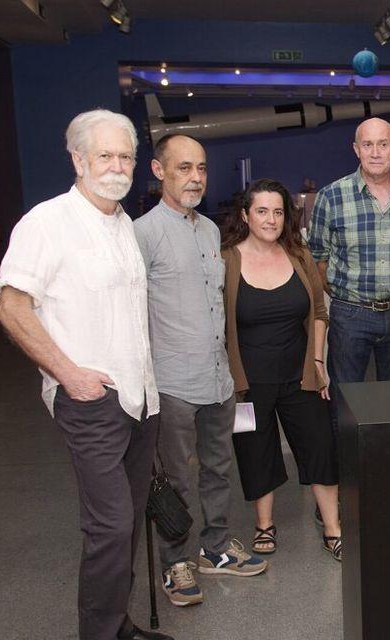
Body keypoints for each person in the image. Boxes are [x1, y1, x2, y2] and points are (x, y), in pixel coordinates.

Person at [0, 109, 173, 640]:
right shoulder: (46, 224)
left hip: (142, 400)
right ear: (77, 160)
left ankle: (117, 624)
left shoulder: (122, 221)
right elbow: (11, 307)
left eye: (125, 156)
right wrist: (68, 374)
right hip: (91, 402)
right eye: (105, 156)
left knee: (129, 518)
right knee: (111, 525)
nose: (117, 167)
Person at [132, 134, 268, 609]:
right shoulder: (142, 234)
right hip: (171, 383)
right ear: (158, 170)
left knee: (218, 467)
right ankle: (176, 561)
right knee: (176, 477)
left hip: (217, 378)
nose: (195, 177)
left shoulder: (211, 231)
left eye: (202, 168)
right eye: (184, 167)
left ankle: (216, 549)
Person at [223, 179, 342, 561]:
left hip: (301, 374)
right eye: (262, 211)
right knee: (256, 450)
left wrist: (319, 363)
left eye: (278, 211)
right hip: (248, 382)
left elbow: (320, 313)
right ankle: (264, 526)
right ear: (245, 215)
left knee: (321, 446)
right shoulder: (227, 260)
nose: (271, 219)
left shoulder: (299, 254)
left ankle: (333, 528)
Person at [308, 117, 390, 384]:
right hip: (350, 315)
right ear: (356, 149)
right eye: (367, 145)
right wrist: (343, 293)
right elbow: (317, 257)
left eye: (382, 144)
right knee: (345, 401)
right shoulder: (331, 196)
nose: (375, 153)